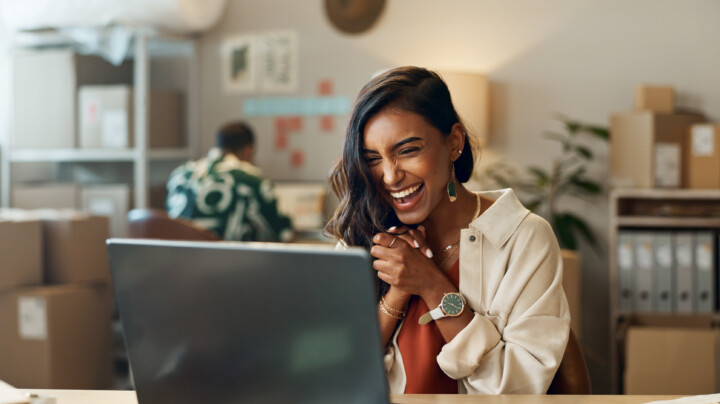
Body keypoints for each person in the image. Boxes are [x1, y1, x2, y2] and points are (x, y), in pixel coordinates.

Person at [325, 67, 570, 394]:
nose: (389, 176)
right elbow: (335, 375)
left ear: (454, 142)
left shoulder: (523, 238)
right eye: (372, 159)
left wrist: (431, 285)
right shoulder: (362, 232)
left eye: (408, 150)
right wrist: (398, 291)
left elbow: (517, 390)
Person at [166, 121, 293, 242]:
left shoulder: (180, 175)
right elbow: (283, 233)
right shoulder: (251, 179)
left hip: (179, 261)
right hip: (230, 262)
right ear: (249, 149)